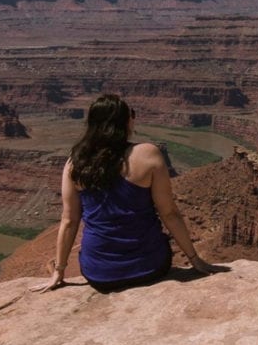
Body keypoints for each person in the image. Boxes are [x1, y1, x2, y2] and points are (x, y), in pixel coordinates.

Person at [42, 94, 220, 291]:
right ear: (126, 121)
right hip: (150, 267)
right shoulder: (148, 154)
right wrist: (195, 259)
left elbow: (69, 221)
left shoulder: (75, 164)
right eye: (132, 114)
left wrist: (59, 270)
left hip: (98, 275)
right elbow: (169, 213)